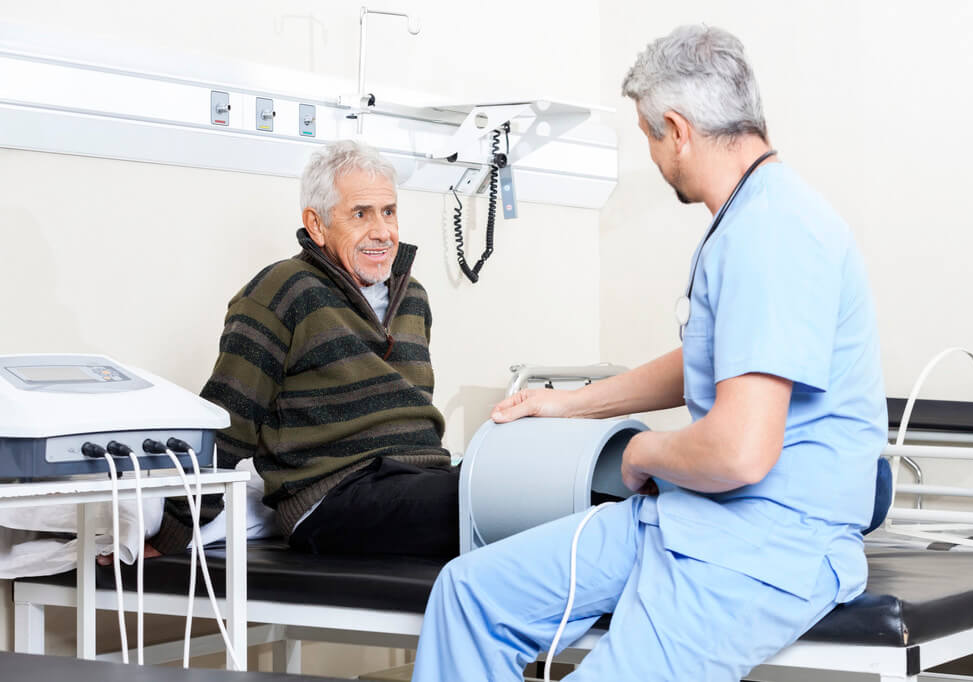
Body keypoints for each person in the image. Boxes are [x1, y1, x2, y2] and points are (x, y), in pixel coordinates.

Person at [410, 25, 887, 681]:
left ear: (676, 129)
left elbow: (737, 452)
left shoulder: (773, 233)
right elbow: (709, 358)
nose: (655, 155)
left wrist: (638, 452)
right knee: (468, 596)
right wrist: (571, 406)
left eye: (647, 136)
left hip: (767, 545)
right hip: (686, 517)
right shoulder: (751, 218)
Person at [148, 140, 459, 560]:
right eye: (360, 214)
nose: (383, 232)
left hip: (420, 477)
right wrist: (169, 534)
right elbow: (227, 422)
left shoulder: (414, 297)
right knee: (488, 503)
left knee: (524, 489)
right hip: (333, 494)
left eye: (389, 211)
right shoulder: (284, 291)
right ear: (316, 224)